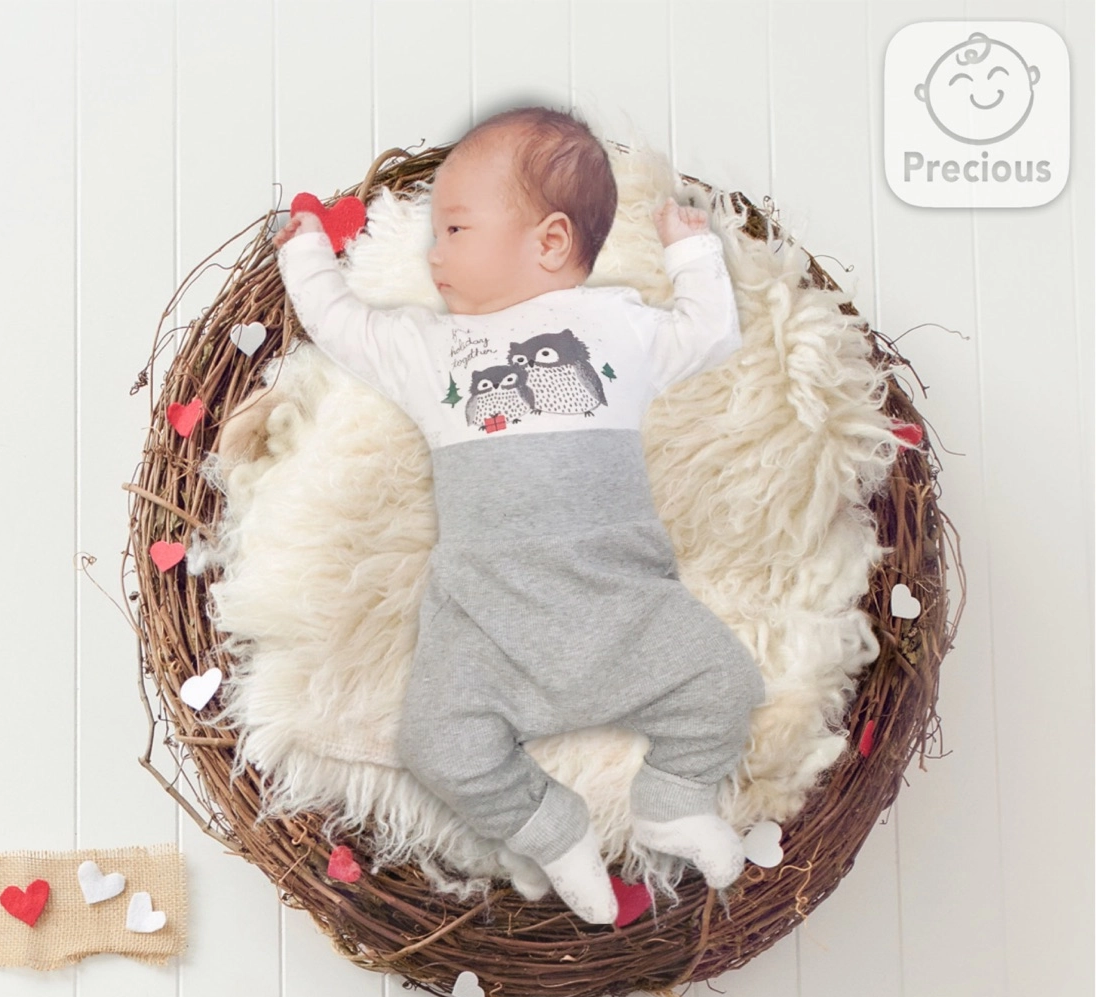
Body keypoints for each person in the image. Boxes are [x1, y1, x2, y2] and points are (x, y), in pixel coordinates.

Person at [274, 108, 764, 923]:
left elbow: (709, 331)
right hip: (488, 619)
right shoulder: (433, 349)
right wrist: (306, 254)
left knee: (725, 683)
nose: (433, 253)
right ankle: (553, 829)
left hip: (622, 603)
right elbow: (342, 327)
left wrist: (691, 250)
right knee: (434, 744)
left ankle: (674, 802)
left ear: (549, 240)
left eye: (455, 228)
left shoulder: (617, 326)